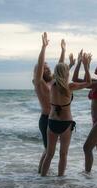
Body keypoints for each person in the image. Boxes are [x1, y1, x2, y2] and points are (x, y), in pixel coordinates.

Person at [40, 52, 92, 176]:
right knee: (63, 155)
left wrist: (72, 64)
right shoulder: (70, 86)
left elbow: (60, 73)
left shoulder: (52, 85)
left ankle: (41, 180)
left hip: (52, 122)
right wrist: (86, 65)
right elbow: (89, 82)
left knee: (49, 154)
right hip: (66, 123)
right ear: (66, 73)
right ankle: (60, 180)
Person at [33, 32, 67, 173]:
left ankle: (40, 173)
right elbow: (40, 66)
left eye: (48, 67)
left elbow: (60, 68)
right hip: (46, 119)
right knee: (49, 151)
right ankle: (41, 176)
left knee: (48, 150)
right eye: (44, 67)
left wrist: (63, 51)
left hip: (56, 119)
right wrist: (44, 47)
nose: (47, 68)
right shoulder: (39, 83)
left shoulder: (53, 82)